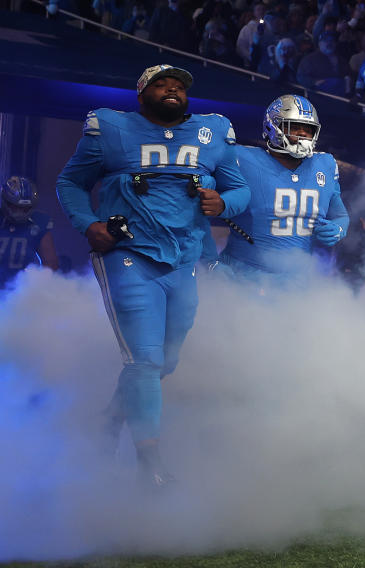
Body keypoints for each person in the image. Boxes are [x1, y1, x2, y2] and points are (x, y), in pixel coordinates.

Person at [56, 64, 250, 488]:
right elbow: (70, 182)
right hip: (129, 255)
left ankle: (108, 420)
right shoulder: (111, 129)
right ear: (141, 93)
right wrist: (89, 225)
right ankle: (150, 464)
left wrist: (225, 203)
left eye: (179, 85)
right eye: (162, 83)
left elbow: (239, 189)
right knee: (144, 360)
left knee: (165, 360)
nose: (172, 90)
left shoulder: (211, 133)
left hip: (183, 259)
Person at [211, 95, 348, 283]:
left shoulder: (325, 164)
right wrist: (208, 258)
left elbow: (340, 215)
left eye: (307, 130)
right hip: (243, 273)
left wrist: (338, 229)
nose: (302, 134)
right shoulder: (241, 159)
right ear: (272, 127)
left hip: (297, 280)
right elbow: (196, 210)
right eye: (294, 127)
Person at [0, 175, 59, 287]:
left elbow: (50, 264)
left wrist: (39, 290)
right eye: (14, 207)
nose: (19, 212)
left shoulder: (39, 222)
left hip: (20, 290)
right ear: (5, 202)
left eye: (24, 209)